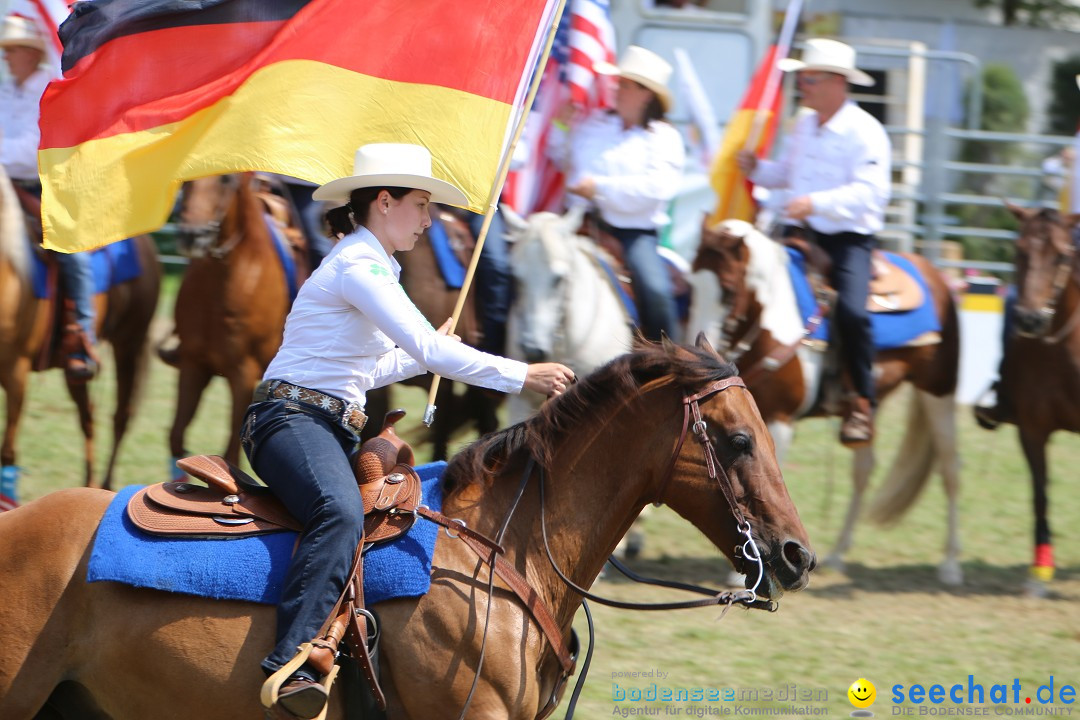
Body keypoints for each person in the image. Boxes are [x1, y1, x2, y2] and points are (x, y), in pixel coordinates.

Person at [240, 142, 575, 719]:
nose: (428, 219)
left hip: (325, 422)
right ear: (384, 201)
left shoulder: (371, 266)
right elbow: (423, 347)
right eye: (421, 205)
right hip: (289, 420)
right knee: (339, 512)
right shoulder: (360, 266)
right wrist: (521, 374)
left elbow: (367, 370)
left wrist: (433, 354)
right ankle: (291, 662)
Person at [737, 38, 891, 447]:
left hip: (846, 240)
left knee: (854, 313)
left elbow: (871, 194)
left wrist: (816, 202)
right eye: (803, 78)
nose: (803, 85)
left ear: (838, 82)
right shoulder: (803, 125)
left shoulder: (867, 132)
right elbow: (787, 173)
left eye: (811, 78)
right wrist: (759, 170)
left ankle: (860, 399)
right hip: (797, 233)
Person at [547, 44, 686, 342]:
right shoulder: (595, 123)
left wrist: (599, 188)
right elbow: (563, 158)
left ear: (646, 93)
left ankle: (671, 362)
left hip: (631, 234)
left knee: (656, 291)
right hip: (579, 222)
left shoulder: (665, 137)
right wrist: (560, 126)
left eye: (624, 84)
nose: (616, 89)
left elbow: (658, 187)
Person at [0, 14, 97, 380]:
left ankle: (82, 333)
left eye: (11, 51)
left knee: (69, 249)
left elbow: (29, 150)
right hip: (4, 185)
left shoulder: (48, 87)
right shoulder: (6, 90)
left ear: (29, 52)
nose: (5, 58)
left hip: (40, 185)